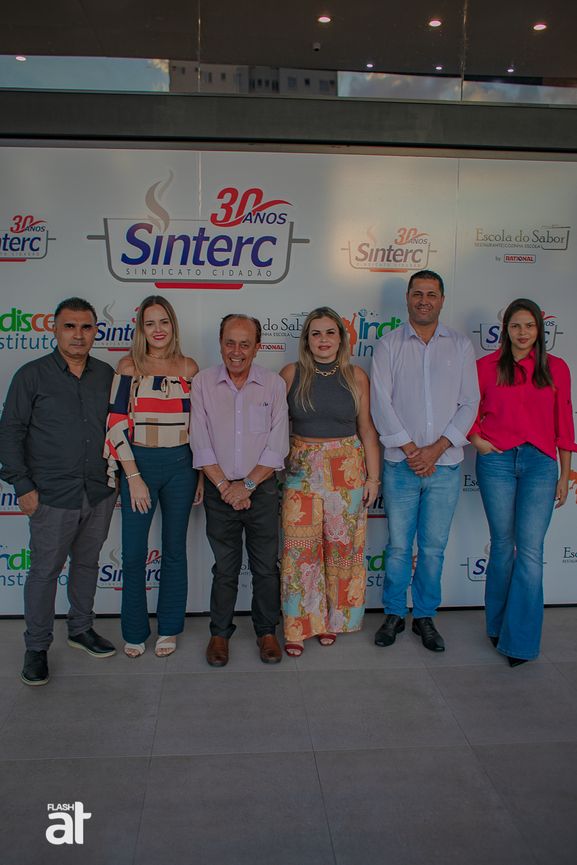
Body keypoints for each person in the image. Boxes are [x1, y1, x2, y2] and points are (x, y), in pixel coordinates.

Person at [0, 297, 117, 686]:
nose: (78, 335)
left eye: (86, 327)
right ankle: (36, 648)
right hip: (50, 493)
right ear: (54, 329)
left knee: (87, 564)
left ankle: (81, 629)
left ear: (95, 331)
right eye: (70, 326)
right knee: (44, 571)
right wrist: (22, 485)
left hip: (98, 491)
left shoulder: (106, 374)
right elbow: (10, 432)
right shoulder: (31, 375)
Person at [370, 270, 479, 652]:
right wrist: (412, 450)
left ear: (442, 300)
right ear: (407, 298)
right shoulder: (388, 345)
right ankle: (394, 613)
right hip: (401, 466)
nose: (424, 300)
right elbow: (380, 403)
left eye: (431, 294)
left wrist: (436, 449)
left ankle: (425, 616)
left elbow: (470, 402)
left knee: (433, 548)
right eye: (418, 293)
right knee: (399, 547)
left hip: (445, 466)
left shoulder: (460, 346)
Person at [469, 298, 576, 666]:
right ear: (505, 329)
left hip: (540, 465)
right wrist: (477, 440)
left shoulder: (557, 368)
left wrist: (565, 474)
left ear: (539, 330)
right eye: (515, 325)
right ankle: (497, 625)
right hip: (496, 462)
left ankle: (521, 642)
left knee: (530, 551)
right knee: (502, 545)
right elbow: (466, 409)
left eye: (529, 325)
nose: (522, 332)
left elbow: (564, 422)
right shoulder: (485, 367)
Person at [279, 307, 380, 656]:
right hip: (301, 468)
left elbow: (367, 429)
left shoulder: (356, 376)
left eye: (330, 333)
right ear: (307, 340)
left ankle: (332, 622)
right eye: (316, 333)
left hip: (347, 468)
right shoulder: (291, 374)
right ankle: (299, 626)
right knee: (299, 551)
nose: (323, 340)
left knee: (342, 550)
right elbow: (275, 427)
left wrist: (373, 478)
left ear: (341, 338)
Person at [105, 295, 202, 658]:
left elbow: (199, 427)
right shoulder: (128, 366)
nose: (158, 330)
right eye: (150, 323)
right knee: (133, 553)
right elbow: (115, 423)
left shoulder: (189, 367)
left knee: (175, 549)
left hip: (181, 467)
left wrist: (200, 477)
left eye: (164, 322)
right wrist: (133, 476)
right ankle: (133, 630)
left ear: (173, 325)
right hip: (139, 465)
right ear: (141, 329)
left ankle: (170, 628)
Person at [190, 314, 289, 667]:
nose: (236, 351)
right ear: (220, 344)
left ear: (257, 347)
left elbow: (278, 444)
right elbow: (199, 439)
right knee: (225, 568)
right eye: (230, 343)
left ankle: (266, 632)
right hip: (219, 490)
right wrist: (224, 486)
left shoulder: (274, 384)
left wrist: (245, 486)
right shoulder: (202, 382)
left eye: (245, 344)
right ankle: (219, 633)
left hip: (260, 490)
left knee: (266, 567)